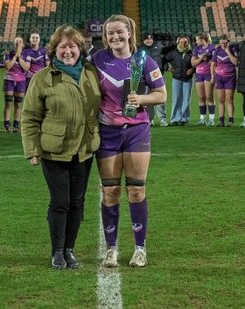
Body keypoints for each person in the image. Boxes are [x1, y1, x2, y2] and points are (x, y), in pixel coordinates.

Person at [21, 25, 101, 269]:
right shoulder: (42, 77)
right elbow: (29, 116)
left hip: (85, 148)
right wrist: (32, 150)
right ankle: (56, 251)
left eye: (73, 46)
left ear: (80, 49)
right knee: (60, 202)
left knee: (77, 201)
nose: (68, 51)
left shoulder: (91, 73)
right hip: (54, 150)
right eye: (63, 46)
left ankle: (69, 249)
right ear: (54, 49)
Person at [92, 15, 166, 267]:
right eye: (110, 33)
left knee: (136, 190)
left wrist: (140, 100)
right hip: (107, 133)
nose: (115, 37)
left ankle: (140, 249)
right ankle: (111, 248)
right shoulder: (98, 59)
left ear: (130, 33)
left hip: (136, 131)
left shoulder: (144, 61)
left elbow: (161, 94)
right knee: (110, 191)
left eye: (119, 33)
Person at [140, 32, 167, 126]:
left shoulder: (160, 47)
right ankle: (149, 119)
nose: (149, 40)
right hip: (145, 77)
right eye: (147, 39)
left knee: (161, 98)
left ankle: (162, 119)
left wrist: (166, 66)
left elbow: (165, 59)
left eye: (150, 39)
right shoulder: (140, 50)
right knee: (147, 99)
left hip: (159, 76)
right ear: (143, 40)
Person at [3, 36, 29, 133]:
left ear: (23, 43)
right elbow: (8, 66)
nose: (18, 43)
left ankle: (16, 126)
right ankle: (6, 125)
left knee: (18, 104)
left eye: (20, 41)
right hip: (9, 79)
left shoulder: (26, 54)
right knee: (8, 103)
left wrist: (20, 57)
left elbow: (26, 68)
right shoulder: (8, 53)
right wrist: (15, 56)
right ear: (14, 43)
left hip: (21, 80)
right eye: (16, 41)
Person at [165, 35, 193, 126]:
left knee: (186, 100)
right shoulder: (173, 53)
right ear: (178, 42)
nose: (183, 44)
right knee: (176, 99)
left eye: (185, 42)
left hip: (188, 80)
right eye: (181, 42)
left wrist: (193, 69)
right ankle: (175, 119)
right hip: (176, 79)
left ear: (188, 43)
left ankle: (184, 119)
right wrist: (167, 68)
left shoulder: (191, 53)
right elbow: (164, 60)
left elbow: (198, 63)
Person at [211, 34, 238, 127]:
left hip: (230, 77)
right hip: (219, 78)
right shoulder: (217, 51)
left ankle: (230, 120)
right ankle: (221, 120)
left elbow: (235, 62)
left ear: (228, 42)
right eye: (221, 43)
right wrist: (212, 76)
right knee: (221, 99)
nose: (223, 45)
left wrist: (227, 51)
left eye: (225, 43)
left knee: (229, 99)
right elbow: (213, 64)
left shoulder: (233, 50)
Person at [191, 32, 216, 126]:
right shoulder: (196, 49)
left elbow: (214, 63)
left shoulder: (212, 48)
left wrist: (206, 60)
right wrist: (201, 58)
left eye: (197, 39)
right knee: (201, 97)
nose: (196, 41)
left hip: (208, 74)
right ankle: (202, 119)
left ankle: (211, 119)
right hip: (199, 75)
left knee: (209, 97)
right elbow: (193, 63)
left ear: (202, 40)